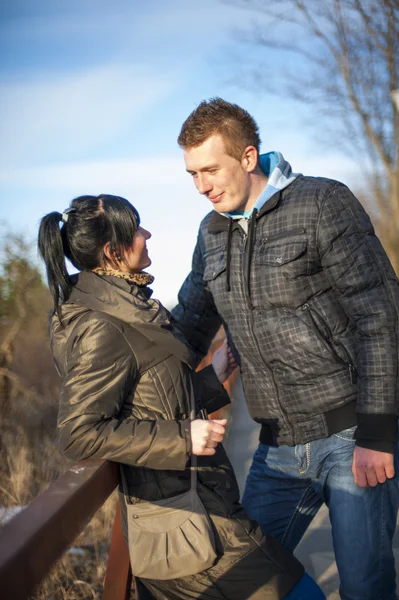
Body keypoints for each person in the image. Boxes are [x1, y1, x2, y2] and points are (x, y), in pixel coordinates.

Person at [38, 194, 325, 600]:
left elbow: (151, 398)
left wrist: (213, 377)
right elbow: (79, 432)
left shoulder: (129, 308)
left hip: (205, 503)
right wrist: (183, 437)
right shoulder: (101, 326)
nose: (147, 233)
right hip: (182, 522)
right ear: (113, 251)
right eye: (136, 228)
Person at [172, 98, 399, 600]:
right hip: (275, 450)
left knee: (365, 587)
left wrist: (378, 433)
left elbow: (379, 314)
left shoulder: (320, 203)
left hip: (349, 438)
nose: (201, 186)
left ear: (248, 157)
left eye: (210, 169)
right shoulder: (211, 233)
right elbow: (187, 324)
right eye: (192, 173)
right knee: (246, 580)